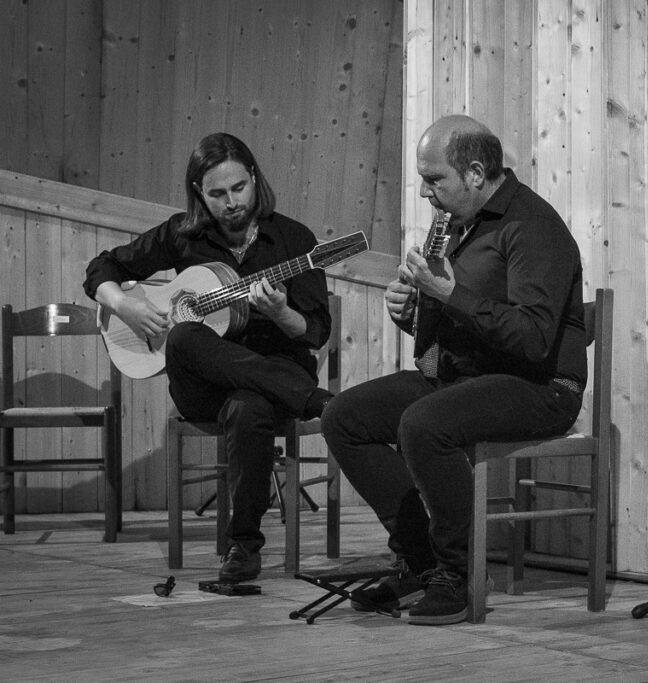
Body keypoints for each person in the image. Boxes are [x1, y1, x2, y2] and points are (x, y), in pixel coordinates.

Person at [320, 114, 587, 625]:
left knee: (424, 423)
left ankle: (456, 573)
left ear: (478, 173)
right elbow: (449, 328)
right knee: (344, 417)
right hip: (465, 377)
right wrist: (412, 312)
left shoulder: (533, 226)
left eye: (434, 179)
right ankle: (418, 561)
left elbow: (532, 340)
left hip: (540, 386)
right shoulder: (453, 223)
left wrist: (447, 292)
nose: (425, 192)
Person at [84, 132, 334, 582]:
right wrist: (127, 306)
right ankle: (318, 401)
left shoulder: (295, 240)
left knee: (249, 406)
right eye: (217, 194)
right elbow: (102, 268)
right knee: (182, 338)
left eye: (239, 188)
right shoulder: (183, 234)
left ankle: (243, 546)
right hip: (205, 386)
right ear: (200, 193)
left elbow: (315, 331)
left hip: (274, 376)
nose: (232, 202)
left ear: (254, 179)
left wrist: (281, 314)